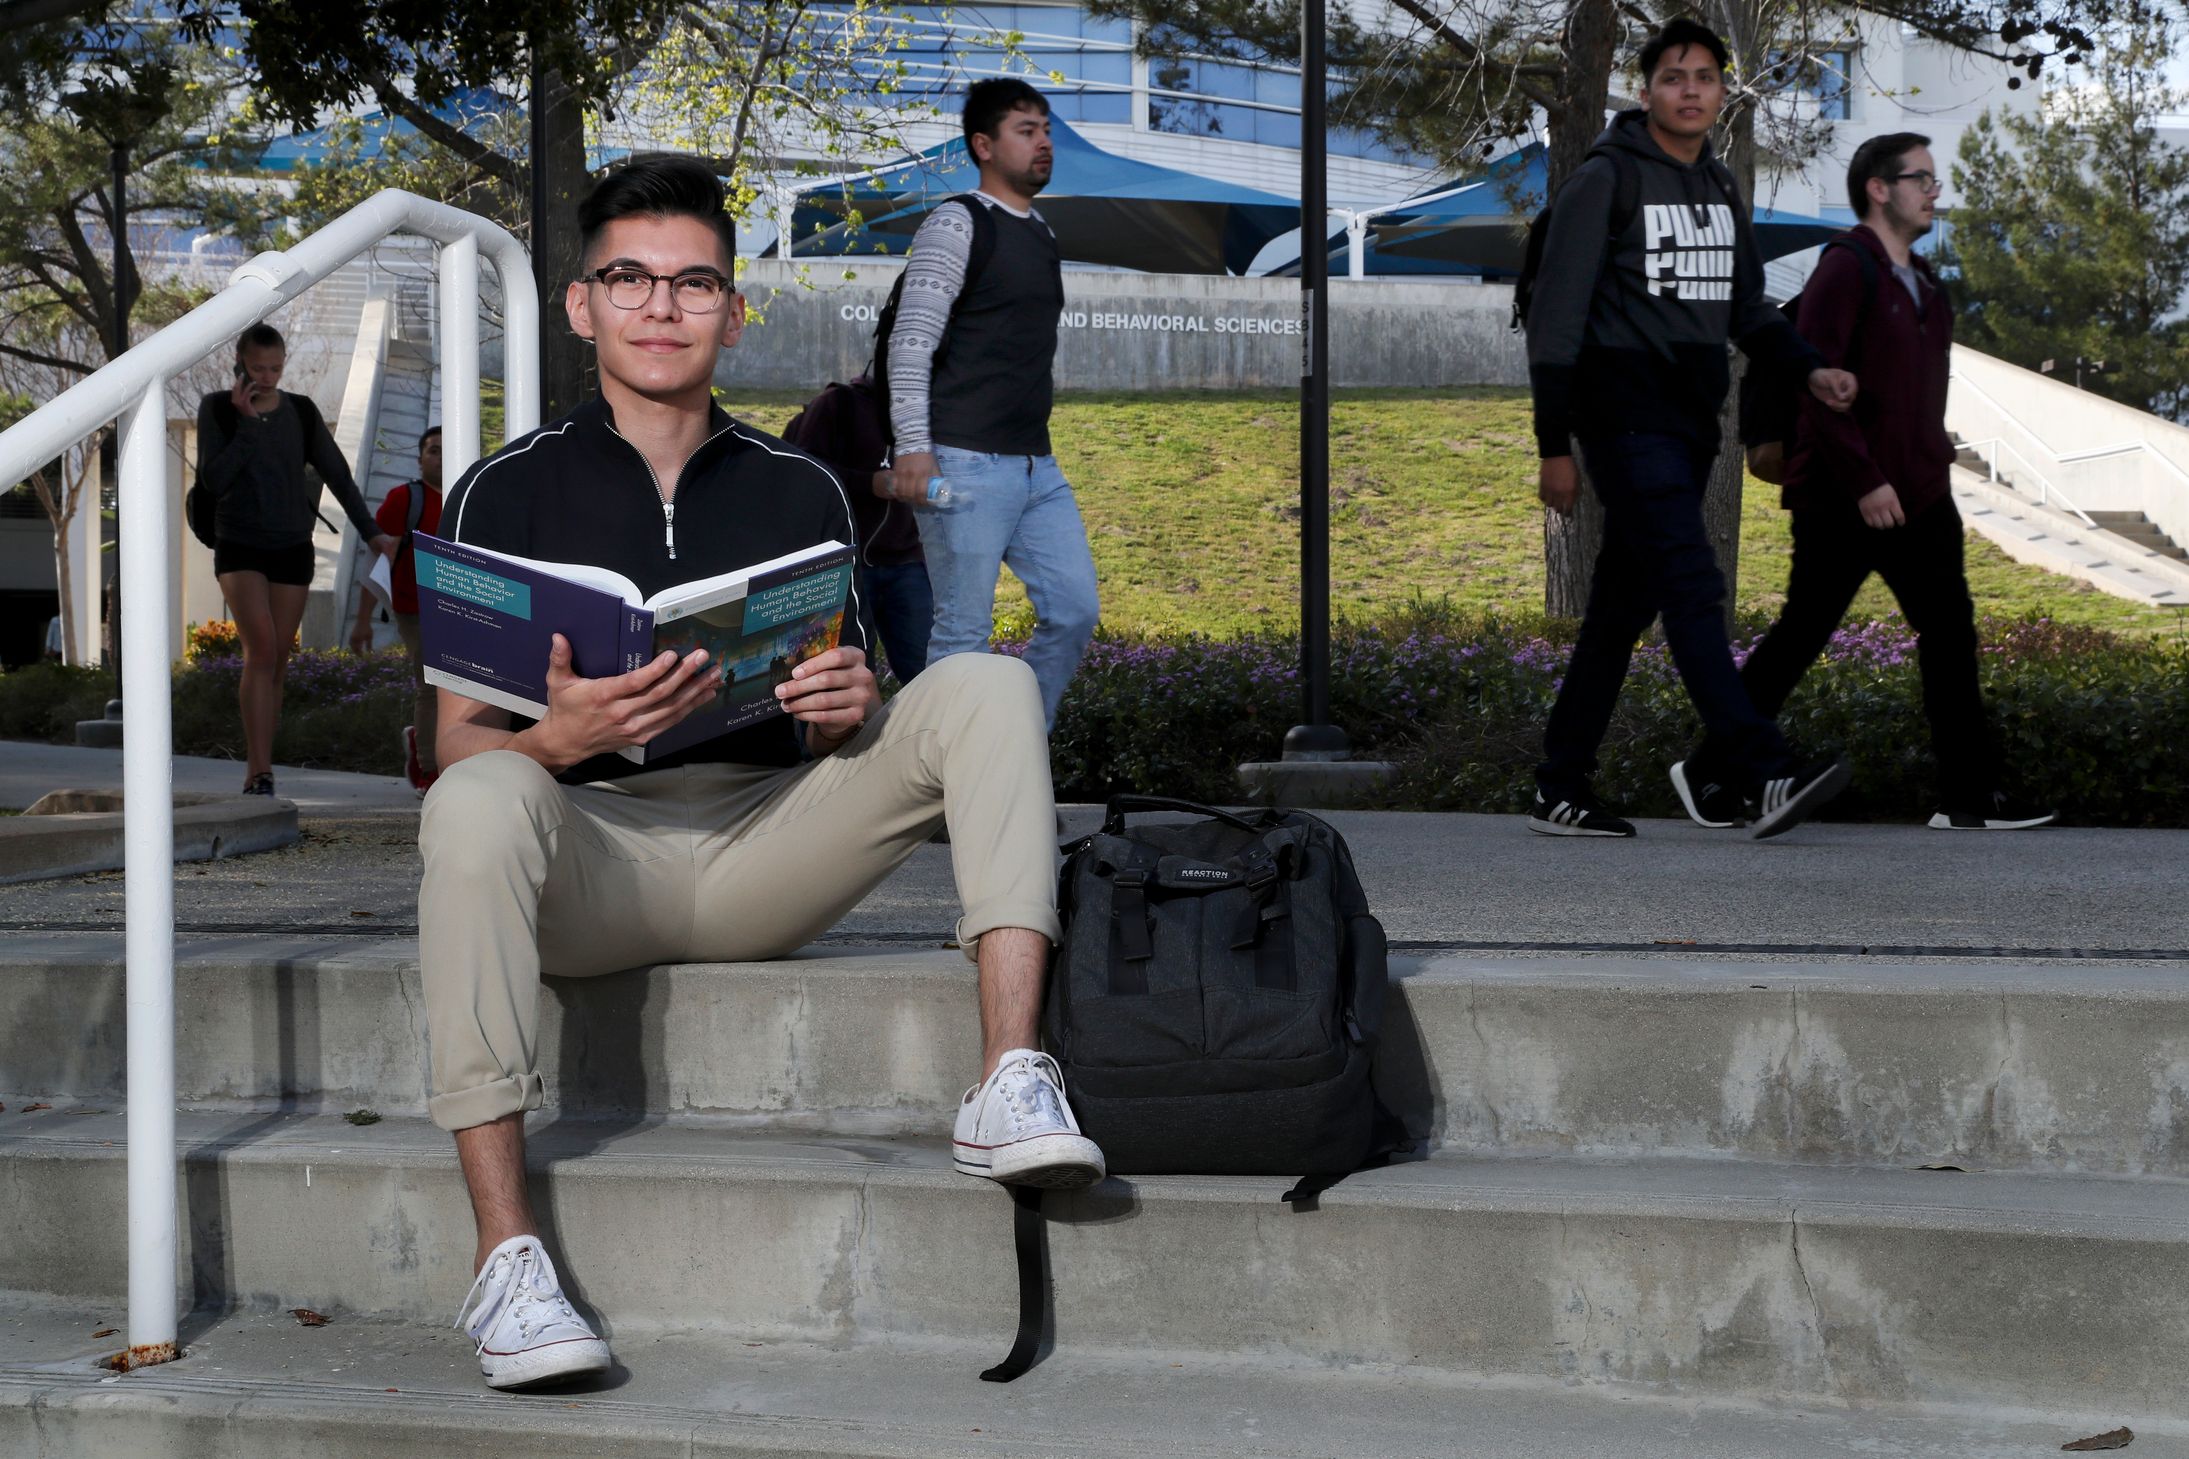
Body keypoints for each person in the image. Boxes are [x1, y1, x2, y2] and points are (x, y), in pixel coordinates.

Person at [422, 156, 1103, 1393]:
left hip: (766, 846)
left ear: (735, 311)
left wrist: (854, 709)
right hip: (591, 862)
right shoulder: (497, 493)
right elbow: (457, 743)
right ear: (581, 306)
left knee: (989, 683)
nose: (661, 305)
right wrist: (558, 740)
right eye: (629, 278)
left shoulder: (801, 489)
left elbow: (830, 712)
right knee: (478, 791)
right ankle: (507, 1258)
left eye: (694, 283)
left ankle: (1008, 1075)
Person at [1525, 18, 1861, 841]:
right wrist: (1552, 446)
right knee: (1691, 582)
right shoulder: (1604, 182)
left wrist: (1808, 366)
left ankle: (1557, 785)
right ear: (1645, 93)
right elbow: (1554, 322)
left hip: (1687, 423)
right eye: (1673, 76)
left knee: (1618, 612)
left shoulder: (1716, 187)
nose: (1689, 89)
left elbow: (1747, 308)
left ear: (1720, 93)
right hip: (1620, 416)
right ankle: (1760, 764)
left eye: (1704, 77)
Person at [1672, 135, 2055, 833]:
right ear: (1878, 189)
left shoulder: (1925, 283)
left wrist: (1927, 470)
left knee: (1948, 631)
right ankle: (1706, 768)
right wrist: (1865, 481)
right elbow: (1817, 387)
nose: (1933, 191)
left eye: (1934, 179)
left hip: (1919, 492)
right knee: (1801, 632)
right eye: (1920, 179)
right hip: (1843, 494)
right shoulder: (1844, 271)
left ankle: (1968, 796)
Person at [886, 77, 1099, 728]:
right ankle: (947, 793)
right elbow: (910, 342)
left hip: (1037, 468)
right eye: (1025, 130)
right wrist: (915, 448)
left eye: (1046, 129)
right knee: (961, 635)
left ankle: (1013, 756)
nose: (1043, 142)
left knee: (1073, 608)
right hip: (959, 462)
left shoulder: (1041, 234)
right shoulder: (956, 223)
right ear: (983, 145)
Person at [196, 324, 396, 795]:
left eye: (275, 368)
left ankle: (264, 763)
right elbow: (213, 481)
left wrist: (371, 533)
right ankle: (257, 770)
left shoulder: (301, 413)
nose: (266, 377)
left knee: (278, 660)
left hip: (291, 545)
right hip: (240, 544)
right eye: (257, 367)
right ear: (240, 362)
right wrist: (244, 424)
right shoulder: (215, 411)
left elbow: (339, 476)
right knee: (261, 650)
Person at [781, 374, 932, 684]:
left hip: (906, 561)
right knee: (848, 677)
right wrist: (869, 483)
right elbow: (803, 469)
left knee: (926, 671)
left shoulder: (926, 412)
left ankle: (931, 731)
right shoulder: (838, 404)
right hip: (846, 564)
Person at [349, 425, 446, 795]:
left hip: (460, 609)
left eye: (446, 449)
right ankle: (429, 768)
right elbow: (376, 563)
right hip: (414, 607)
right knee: (431, 684)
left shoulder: (468, 495)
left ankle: (425, 743)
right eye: (433, 449)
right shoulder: (403, 499)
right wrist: (362, 623)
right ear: (419, 458)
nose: (440, 456)